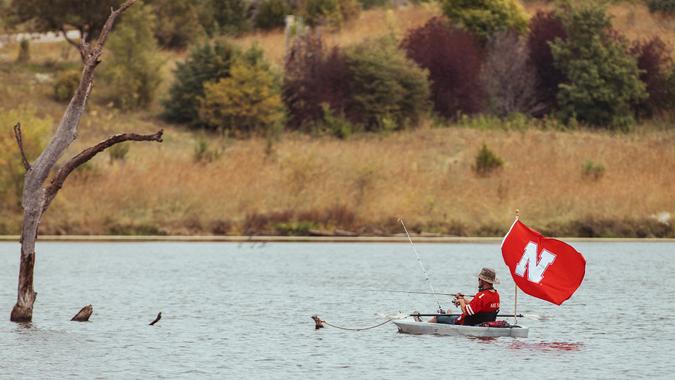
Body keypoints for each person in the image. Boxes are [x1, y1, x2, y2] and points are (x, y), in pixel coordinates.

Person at [426, 267, 500, 326]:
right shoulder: (495, 295)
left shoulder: (481, 295)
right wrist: (463, 299)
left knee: (437, 317)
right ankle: (448, 315)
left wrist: (461, 301)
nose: (478, 280)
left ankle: (424, 324)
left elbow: (467, 311)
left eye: (479, 279)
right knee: (448, 315)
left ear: (483, 281)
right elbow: (477, 304)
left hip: (466, 322)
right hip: (482, 322)